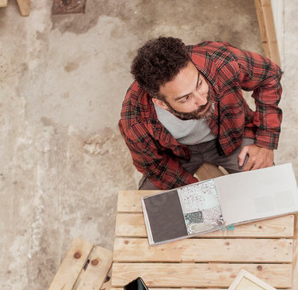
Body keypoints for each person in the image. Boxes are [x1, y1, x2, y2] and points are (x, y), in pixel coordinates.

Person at [120, 37, 283, 190]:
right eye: (185, 98)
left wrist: (265, 142)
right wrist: (199, 193)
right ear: (161, 103)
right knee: (158, 208)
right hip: (177, 156)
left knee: (270, 189)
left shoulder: (219, 60)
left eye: (199, 84)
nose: (203, 100)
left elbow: (269, 76)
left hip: (232, 135)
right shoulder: (134, 119)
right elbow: (154, 166)